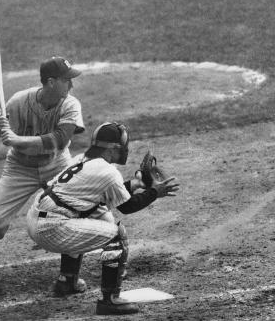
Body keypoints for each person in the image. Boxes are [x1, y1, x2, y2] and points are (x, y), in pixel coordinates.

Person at [26, 122, 180, 315]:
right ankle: (110, 299)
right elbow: (127, 206)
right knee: (117, 235)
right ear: (113, 149)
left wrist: (138, 184)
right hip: (51, 227)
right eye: (123, 146)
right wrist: (154, 193)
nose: (126, 150)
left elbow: (104, 194)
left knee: (95, 211)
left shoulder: (81, 159)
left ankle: (67, 280)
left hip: (38, 217)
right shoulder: (108, 171)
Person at [0, 56, 85, 276]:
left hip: (57, 163)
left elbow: (60, 139)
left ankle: (69, 277)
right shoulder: (20, 100)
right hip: (20, 167)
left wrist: (17, 140)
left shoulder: (70, 104)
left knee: (76, 210)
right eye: (67, 80)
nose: (71, 85)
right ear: (51, 82)